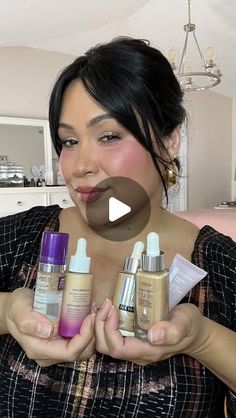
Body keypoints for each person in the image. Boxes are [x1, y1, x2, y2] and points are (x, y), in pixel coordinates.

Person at [0, 37, 235, 418]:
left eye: (108, 135)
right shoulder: (22, 238)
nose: (79, 166)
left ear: (170, 139)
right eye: (69, 141)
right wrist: (9, 310)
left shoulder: (221, 264)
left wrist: (201, 338)